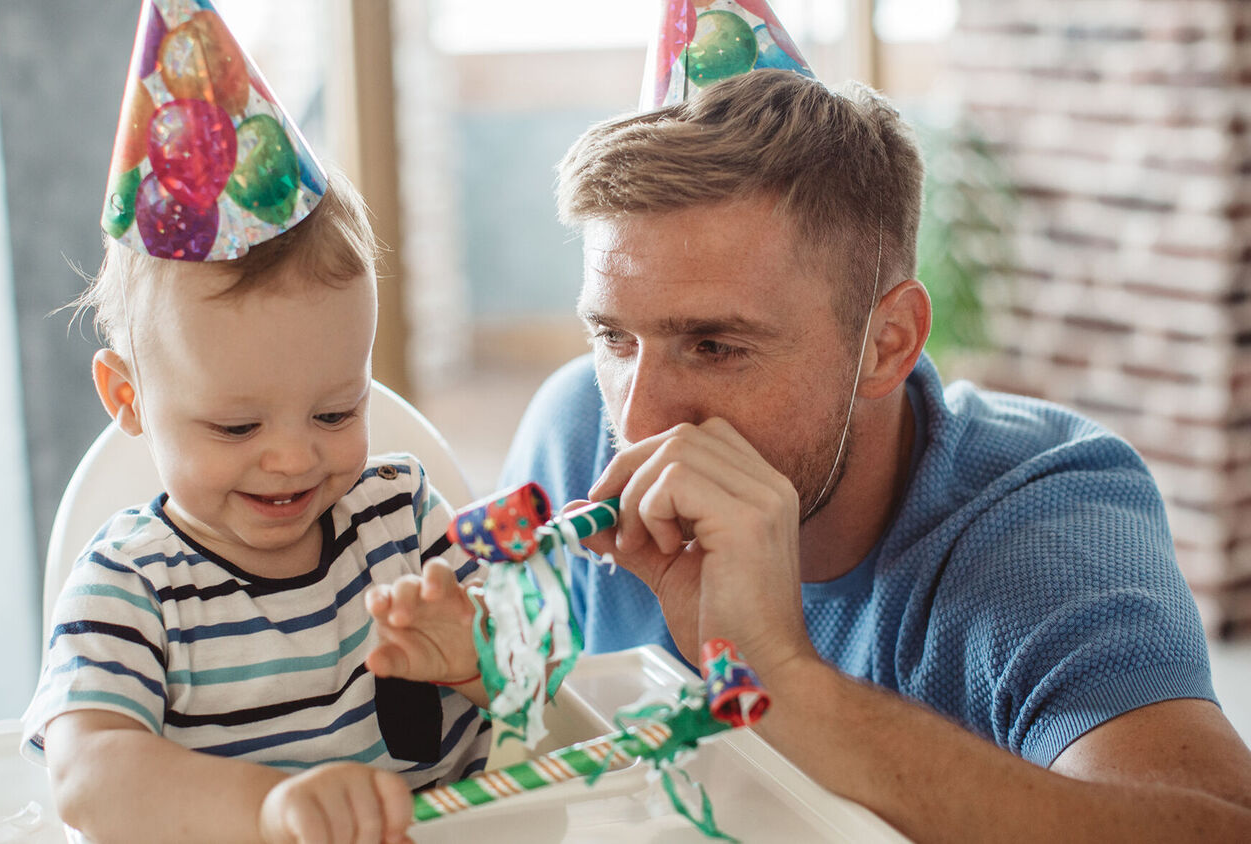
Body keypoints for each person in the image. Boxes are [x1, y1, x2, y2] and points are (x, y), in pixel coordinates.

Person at [501, 67, 1251, 840]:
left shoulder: (1048, 527)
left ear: (887, 343)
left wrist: (779, 682)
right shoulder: (575, 428)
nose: (639, 414)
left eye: (716, 345)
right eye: (613, 336)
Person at [21, 4, 487, 842]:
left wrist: (487, 658)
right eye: (235, 428)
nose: (293, 456)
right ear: (127, 398)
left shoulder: (407, 522)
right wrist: (268, 813)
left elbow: (552, 683)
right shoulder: (131, 591)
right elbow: (87, 780)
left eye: (337, 410)